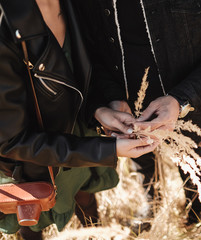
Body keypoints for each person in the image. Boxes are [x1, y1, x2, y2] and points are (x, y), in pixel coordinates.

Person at [72, 0, 201, 227]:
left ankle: (194, 211)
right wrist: (112, 97)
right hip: (126, 106)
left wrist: (181, 100)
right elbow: (87, 47)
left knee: (193, 153)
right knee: (142, 157)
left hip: (194, 104)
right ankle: (152, 203)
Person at [0, 0, 159, 239]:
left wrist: (100, 109)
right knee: (32, 223)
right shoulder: (5, 26)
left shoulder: (76, 4)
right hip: (33, 162)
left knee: (84, 193)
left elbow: (80, 68)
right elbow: (13, 142)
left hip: (78, 139)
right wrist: (109, 149)